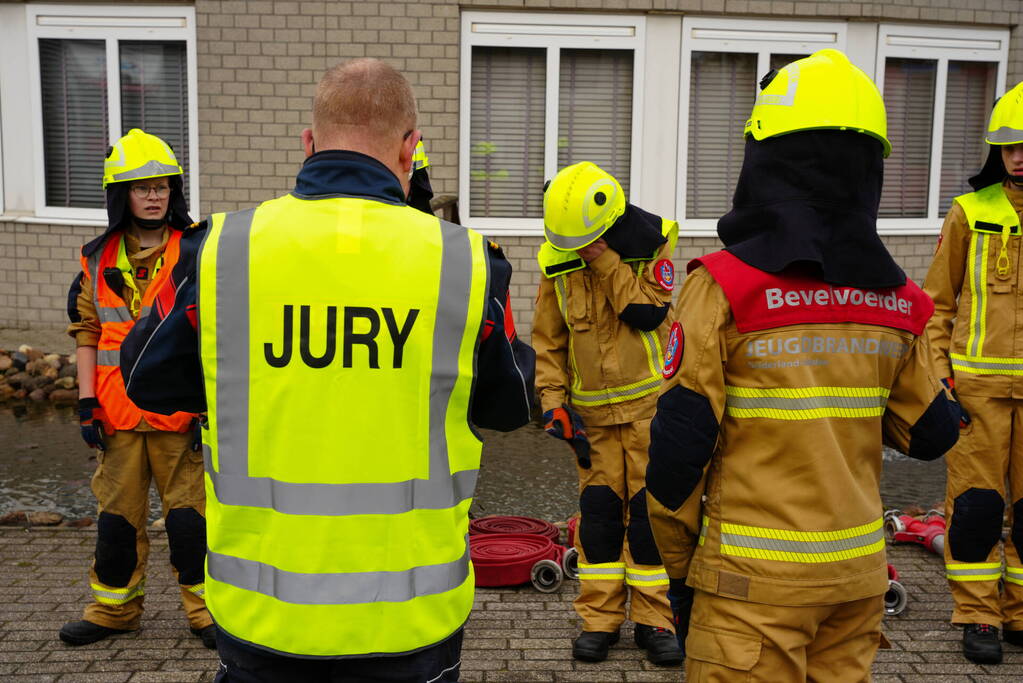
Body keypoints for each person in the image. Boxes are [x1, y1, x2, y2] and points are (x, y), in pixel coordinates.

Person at [119, 58, 535, 681]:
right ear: (409, 148)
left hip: (263, 622)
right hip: (408, 626)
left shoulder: (222, 252)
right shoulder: (467, 266)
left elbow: (144, 377)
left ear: (309, 143)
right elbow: (511, 406)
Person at [645, 49, 962, 681]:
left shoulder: (725, 287)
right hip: (857, 585)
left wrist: (679, 576)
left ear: (765, 163)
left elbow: (679, 456)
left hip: (748, 591)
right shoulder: (900, 302)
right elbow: (932, 434)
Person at [61, 128, 214, 648]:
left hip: (178, 417)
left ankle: (206, 611)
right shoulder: (97, 258)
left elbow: (216, 333)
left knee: (191, 524)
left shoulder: (198, 250)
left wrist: (207, 407)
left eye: (163, 186)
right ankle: (114, 611)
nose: (154, 196)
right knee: (117, 524)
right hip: (116, 418)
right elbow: (88, 333)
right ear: (119, 195)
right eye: (141, 186)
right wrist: (85, 403)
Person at [533, 161, 683, 665]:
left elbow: (648, 312)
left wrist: (605, 262)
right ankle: (599, 621)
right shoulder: (558, 263)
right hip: (592, 424)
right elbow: (549, 341)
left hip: (649, 415)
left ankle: (655, 621)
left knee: (650, 522)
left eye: (583, 243)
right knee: (597, 523)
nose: (574, 250)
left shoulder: (650, 246)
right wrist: (553, 405)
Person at [923, 80, 1023, 665]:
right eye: (1009, 145)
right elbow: (937, 305)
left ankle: (1018, 612)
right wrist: (941, 379)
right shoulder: (970, 212)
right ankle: (978, 614)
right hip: (978, 394)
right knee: (979, 508)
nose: (1018, 155)